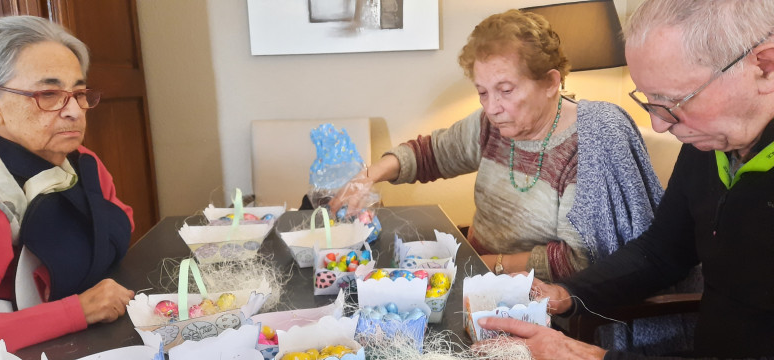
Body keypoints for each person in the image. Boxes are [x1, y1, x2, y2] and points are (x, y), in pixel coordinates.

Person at [477, 1, 774, 358]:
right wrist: (567, 295)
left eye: (674, 101)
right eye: (649, 102)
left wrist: (593, 357)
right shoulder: (710, 144)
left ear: (766, 67)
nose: (659, 125)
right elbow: (661, 252)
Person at [330, 9, 663, 283]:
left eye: (505, 89)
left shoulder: (587, 143)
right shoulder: (491, 125)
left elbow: (575, 261)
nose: (492, 107)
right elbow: (431, 153)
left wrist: (482, 266)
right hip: (477, 270)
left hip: (536, 296)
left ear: (550, 82)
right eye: (483, 91)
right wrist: (368, 177)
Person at [0, 16, 136, 351]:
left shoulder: (83, 163)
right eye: (49, 94)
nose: (75, 111)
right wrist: (77, 311)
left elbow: (121, 224)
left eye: (79, 93)